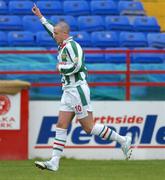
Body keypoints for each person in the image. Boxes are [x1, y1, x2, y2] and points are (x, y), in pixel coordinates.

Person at [32, 4, 132, 172]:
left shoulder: (73, 46)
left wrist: (60, 68)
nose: (53, 35)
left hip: (77, 89)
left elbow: (77, 66)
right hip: (68, 90)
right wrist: (40, 16)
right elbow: (51, 29)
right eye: (54, 33)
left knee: (88, 127)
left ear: (65, 34)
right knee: (61, 124)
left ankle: (123, 140)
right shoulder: (62, 43)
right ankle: (54, 161)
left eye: (56, 33)